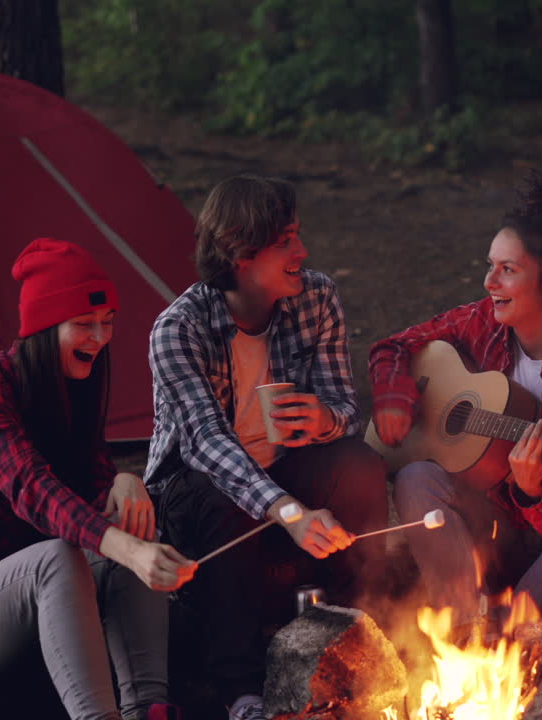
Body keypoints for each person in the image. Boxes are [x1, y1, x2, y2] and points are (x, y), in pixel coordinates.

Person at [0, 238, 197, 720]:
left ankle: (150, 708)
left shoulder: (70, 388)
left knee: (134, 531)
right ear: (42, 329)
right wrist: (127, 549)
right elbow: (32, 489)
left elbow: (91, 490)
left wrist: (122, 483)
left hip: (41, 599)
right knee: (66, 554)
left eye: (107, 323)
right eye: (83, 325)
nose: (99, 338)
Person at [145, 175, 388, 720]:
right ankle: (241, 689)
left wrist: (324, 418)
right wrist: (289, 511)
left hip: (285, 472)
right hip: (196, 496)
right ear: (238, 250)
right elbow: (206, 444)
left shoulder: (316, 297)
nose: (302, 252)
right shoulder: (178, 330)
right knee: (216, 490)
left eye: (297, 236)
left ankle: (357, 625)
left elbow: (346, 407)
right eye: (286, 242)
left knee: (360, 464)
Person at [369, 171, 542, 635]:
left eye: (507, 270)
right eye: (490, 265)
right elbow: (392, 347)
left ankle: (500, 633)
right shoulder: (484, 321)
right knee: (418, 476)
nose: (488, 282)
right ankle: (458, 622)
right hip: (490, 532)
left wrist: (531, 491)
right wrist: (395, 398)